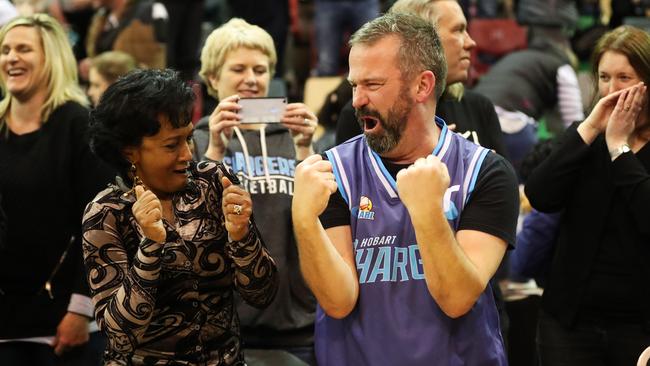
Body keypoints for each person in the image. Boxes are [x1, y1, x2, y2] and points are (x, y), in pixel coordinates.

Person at [292, 12, 519, 365]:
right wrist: (303, 221)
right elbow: (338, 300)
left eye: (373, 84)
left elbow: (457, 297)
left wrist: (428, 211)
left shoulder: (485, 171)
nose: (357, 100)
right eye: (354, 85)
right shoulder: (332, 171)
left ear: (422, 86)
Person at [82, 68, 279, 365]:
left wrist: (242, 236)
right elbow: (120, 334)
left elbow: (262, 295)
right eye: (171, 145)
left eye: (187, 139)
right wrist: (150, 247)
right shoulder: (106, 213)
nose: (187, 154)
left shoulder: (214, 183)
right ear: (130, 152)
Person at [192, 18, 319, 365]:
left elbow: (323, 216)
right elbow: (190, 224)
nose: (251, 78)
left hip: (297, 322)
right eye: (238, 68)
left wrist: (307, 148)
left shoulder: (295, 137)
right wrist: (216, 149)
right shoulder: (198, 140)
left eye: (260, 69)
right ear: (213, 78)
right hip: (223, 324)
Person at [525, 25, 650, 366]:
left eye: (624, 77)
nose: (611, 90)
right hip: (569, 322)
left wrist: (619, 149)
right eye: (604, 77)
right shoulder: (584, 138)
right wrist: (590, 129)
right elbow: (539, 194)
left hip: (638, 326)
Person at [0, 14, 113, 365]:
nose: (11, 58)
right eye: (4, 50)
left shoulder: (80, 124)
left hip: (65, 326)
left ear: (52, 57)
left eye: (23, 49)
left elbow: (103, 224)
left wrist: (82, 310)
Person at [336, 0, 507, 157]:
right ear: (424, 40)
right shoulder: (360, 115)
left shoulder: (479, 108)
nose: (471, 43)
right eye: (458, 30)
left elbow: (505, 184)